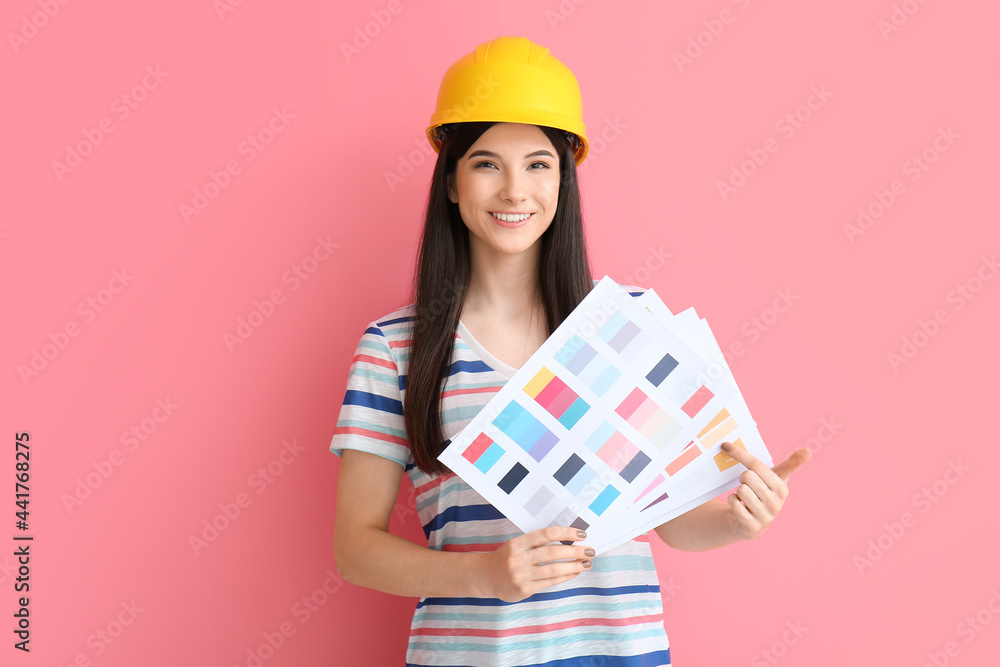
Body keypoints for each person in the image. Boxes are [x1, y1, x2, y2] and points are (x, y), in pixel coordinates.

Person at [330, 35, 810, 667]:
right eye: (485, 164)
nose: (514, 191)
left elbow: (666, 519)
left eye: (537, 164)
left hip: (624, 653)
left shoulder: (627, 326)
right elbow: (354, 550)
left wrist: (737, 520)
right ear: (450, 182)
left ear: (564, 180)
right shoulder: (394, 347)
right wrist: (482, 576)